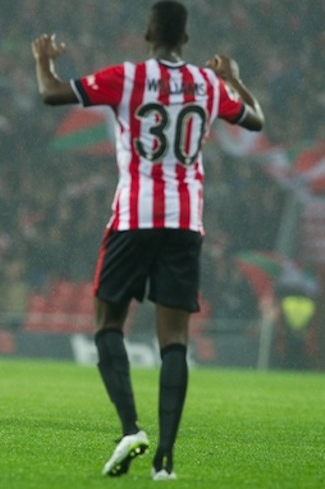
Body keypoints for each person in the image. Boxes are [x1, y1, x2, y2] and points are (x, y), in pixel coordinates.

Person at [32, 0, 264, 480]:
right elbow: (255, 120)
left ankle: (129, 428)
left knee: (106, 324)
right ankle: (166, 460)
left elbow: (52, 93)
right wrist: (234, 77)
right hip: (185, 220)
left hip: (134, 215)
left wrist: (43, 60)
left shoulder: (129, 76)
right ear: (185, 39)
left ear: (148, 33)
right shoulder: (207, 83)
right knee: (174, 340)